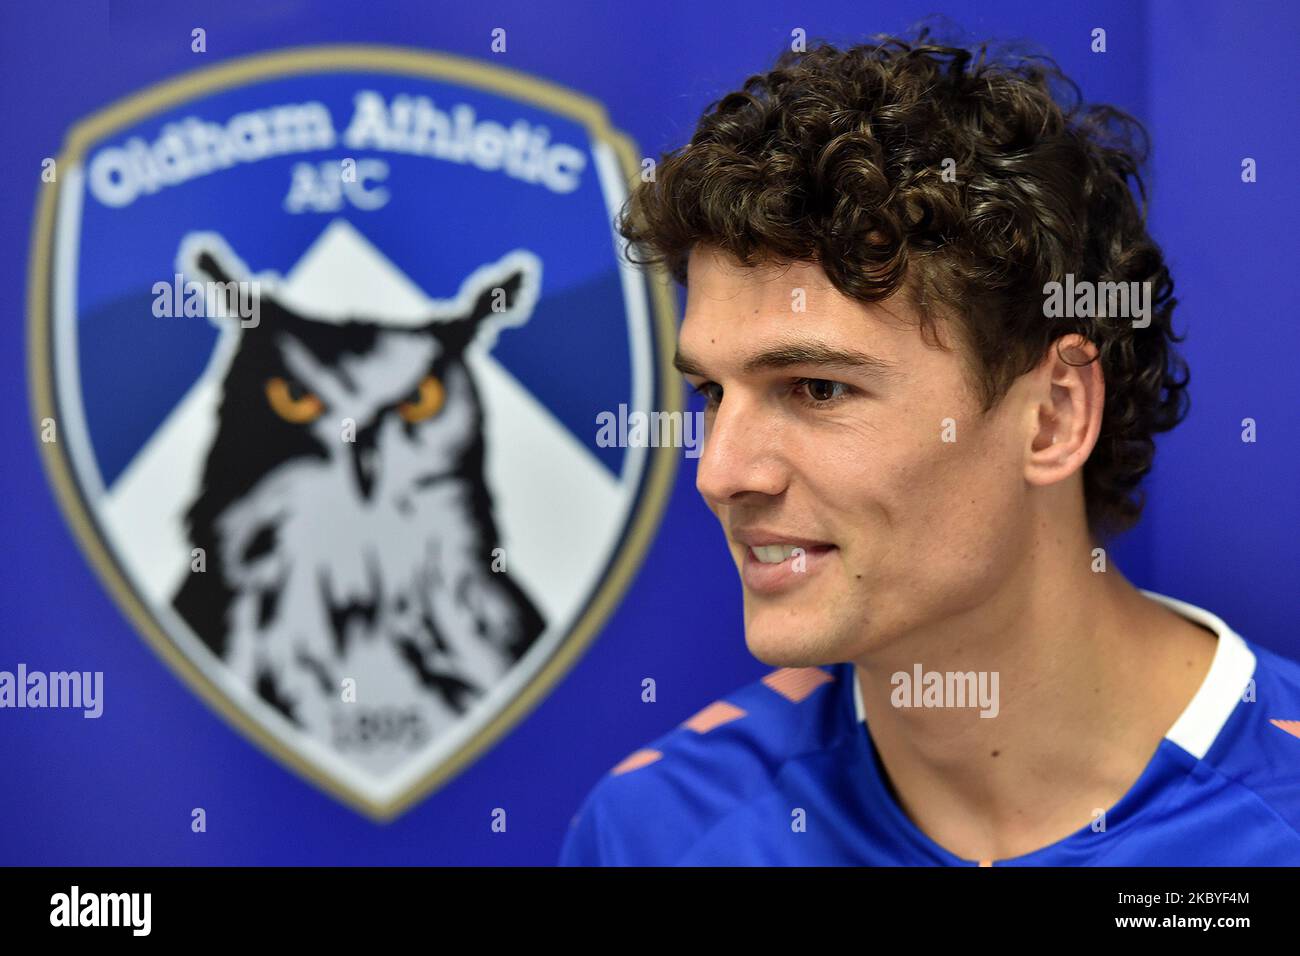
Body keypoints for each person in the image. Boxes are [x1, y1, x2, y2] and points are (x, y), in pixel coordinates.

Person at [560, 30, 1300, 865]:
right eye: (711, 394)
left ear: (1054, 416)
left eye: (817, 388)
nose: (721, 475)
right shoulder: (659, 832)